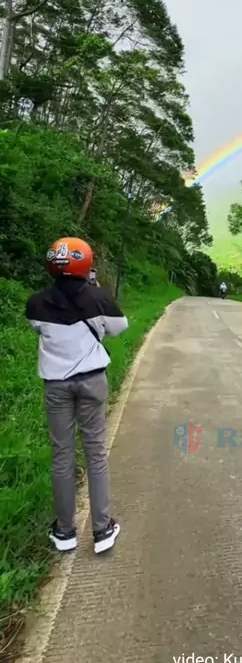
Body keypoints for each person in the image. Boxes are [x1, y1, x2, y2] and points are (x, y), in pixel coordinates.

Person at [26, 237, 128, 555]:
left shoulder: (36, 303)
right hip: (92, 382)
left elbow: (37, 327)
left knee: (62, 455)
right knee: (95, 454)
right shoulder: (99, 298)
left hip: (56, 386)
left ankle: (65, 531)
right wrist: (97, 297)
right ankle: (102, 530)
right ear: (86, 264)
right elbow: (119, 327)